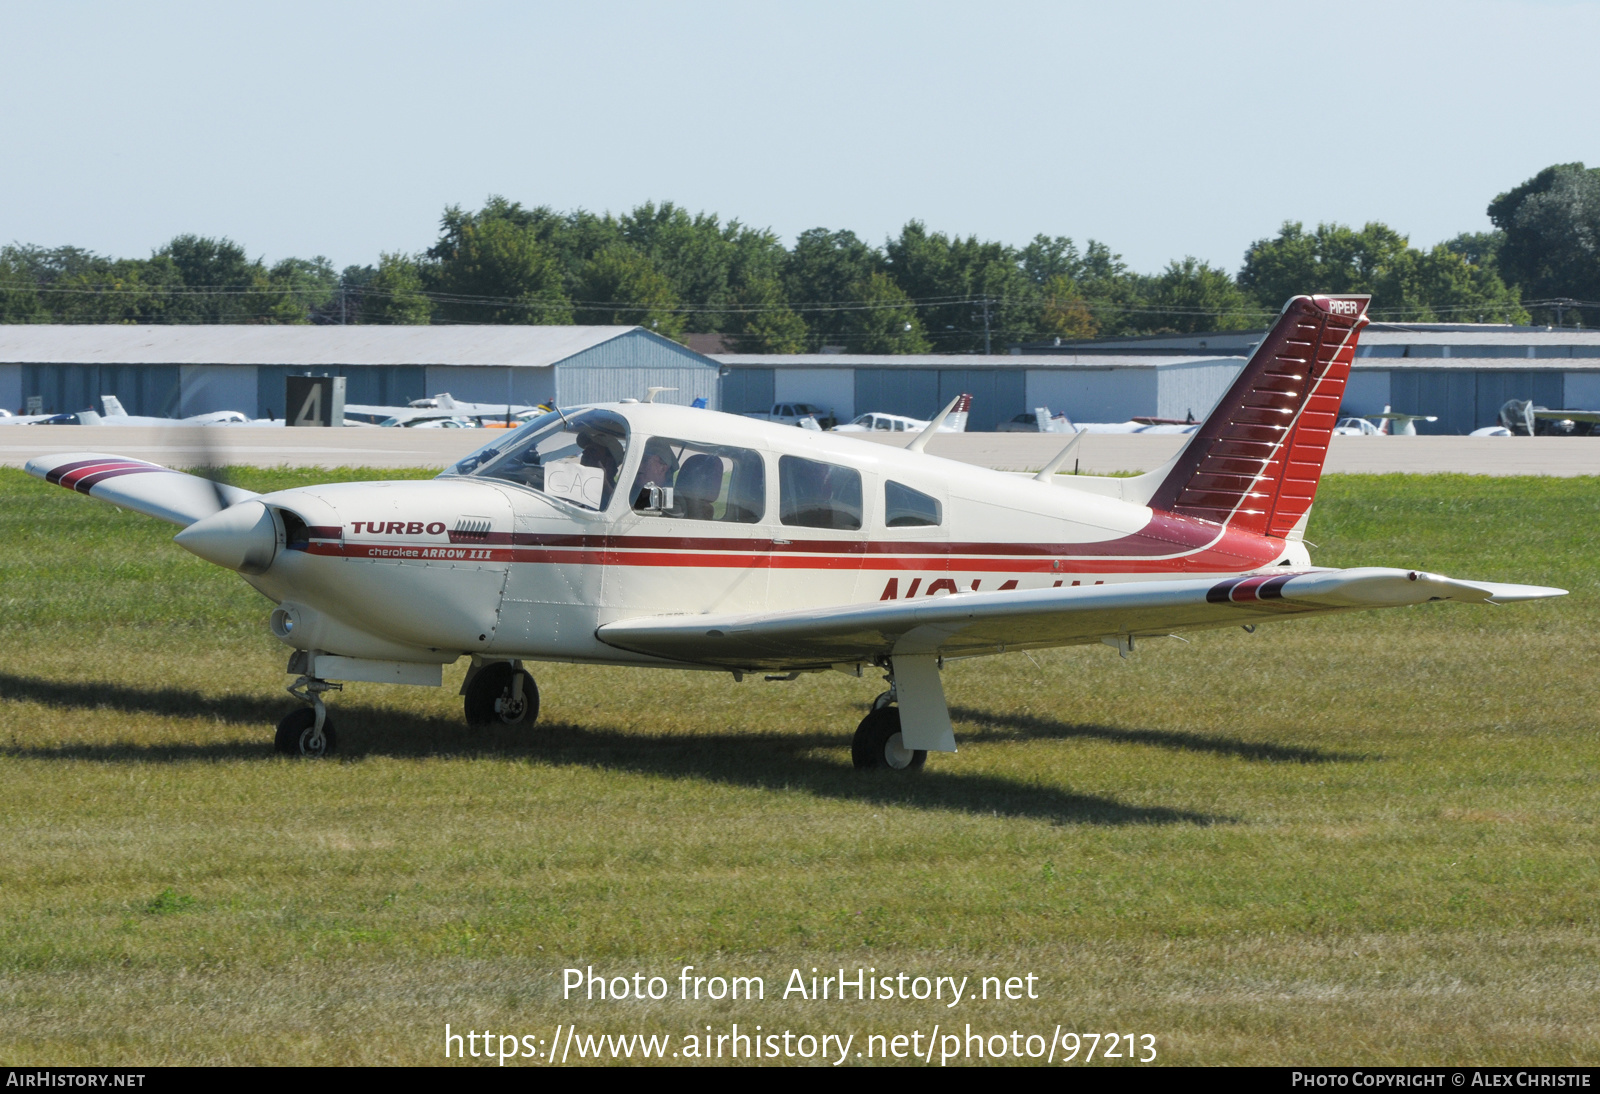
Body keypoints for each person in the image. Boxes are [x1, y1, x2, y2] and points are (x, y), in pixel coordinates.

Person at [631, 440, 678, 510]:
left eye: (644, 460)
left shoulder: (674, 501)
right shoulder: (633, 492)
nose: (639, 466)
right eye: (638, 461)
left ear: (662, 468)